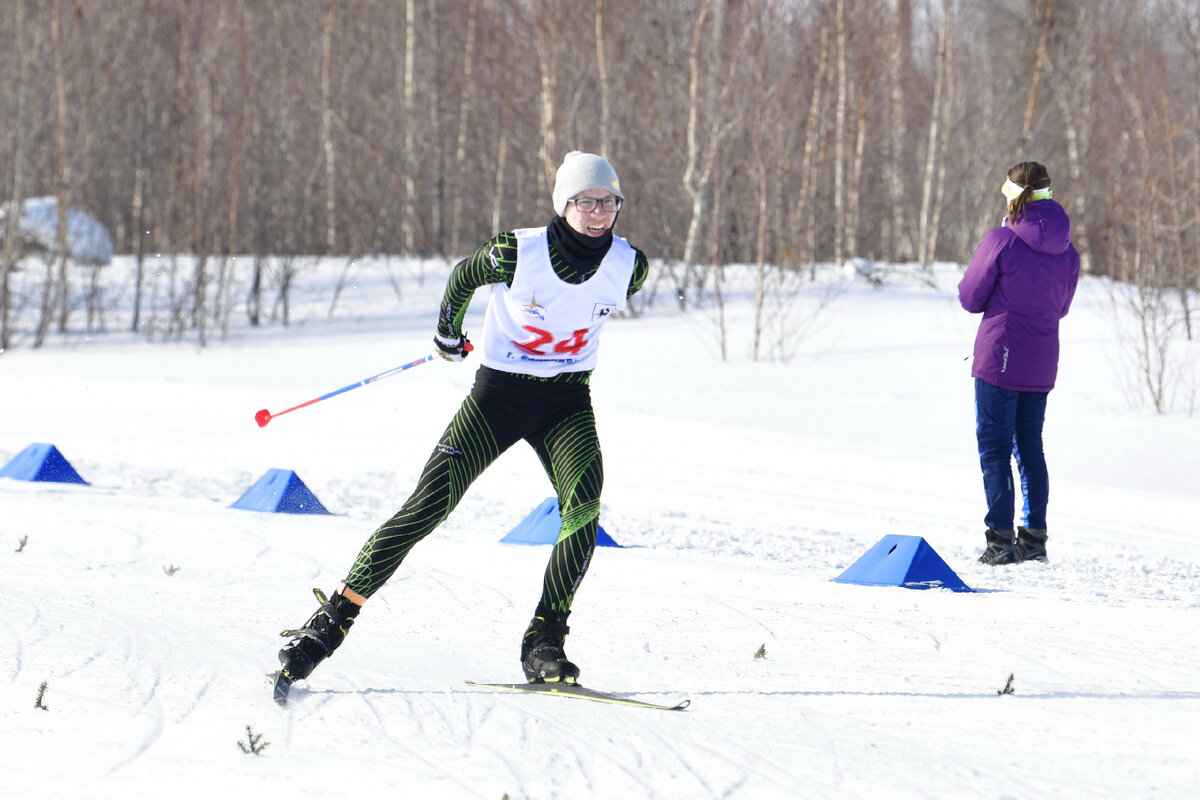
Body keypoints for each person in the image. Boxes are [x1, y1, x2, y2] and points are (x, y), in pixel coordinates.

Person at [275, 151, 648, 688]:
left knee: (583, 508)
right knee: (426, 508)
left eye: (609, 202)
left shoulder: (628, 265)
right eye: (586, 202)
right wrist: (448, 333)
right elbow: (462, 277)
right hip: (498, 399)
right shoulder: (516, 252)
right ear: (563, 205)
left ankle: (545, 640)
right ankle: (329, 625)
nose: (598, 213)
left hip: (567, 403)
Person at [958, 161, 1080, 565]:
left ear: (1013, 196)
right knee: (1030, 446)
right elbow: (1060, 308)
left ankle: (999, 542)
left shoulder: (1001, 241)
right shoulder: (1068, 251)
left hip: (999, 358)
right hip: (1042, 360)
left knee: (994, 447)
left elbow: (971, 298)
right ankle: (1033, 540)